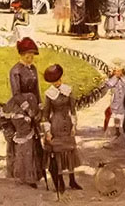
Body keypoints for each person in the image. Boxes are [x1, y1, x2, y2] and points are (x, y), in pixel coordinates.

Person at [41, 64, 82, 192]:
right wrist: (47, 131)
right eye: (54, 82)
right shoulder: (49, 94)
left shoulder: (68, 90)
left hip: (67, 124)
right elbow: (45, 115)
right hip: (56, 125)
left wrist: (74, 125)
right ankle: (60, 183)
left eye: (58, 80)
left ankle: (72, 180)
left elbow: (73, 110)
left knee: (70, 152)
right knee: (58, 154)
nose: (57, 83)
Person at [0, 91, 43, 188]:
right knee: (22, 154)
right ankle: (22, 176)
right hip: (20, 132)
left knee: (28, 154)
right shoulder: (14, 105)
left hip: (27, 132)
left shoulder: (30, 99)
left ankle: (30, 176)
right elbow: (6, 119)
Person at [9, 37, 41, 101]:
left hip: (33, 101)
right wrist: (26, 108)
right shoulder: (15, 70)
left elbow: (36, 89)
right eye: (27, 57)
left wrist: (39, 102)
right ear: (22, 55)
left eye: (32, 57)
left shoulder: (33, 68)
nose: (30, 60)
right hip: (20, 103)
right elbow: (16, 94)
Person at [104, 61, 125, 137]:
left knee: (124, 115)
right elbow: (109, 84)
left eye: (118, 71)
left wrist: (121, 78)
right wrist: (115, 78)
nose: (117, 72)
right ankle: (117, 130)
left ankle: (124, 130)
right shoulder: (114, 79)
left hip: (124, 100)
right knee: (116, 116)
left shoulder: (124, 79)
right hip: (116, 101)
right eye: (116, 71)